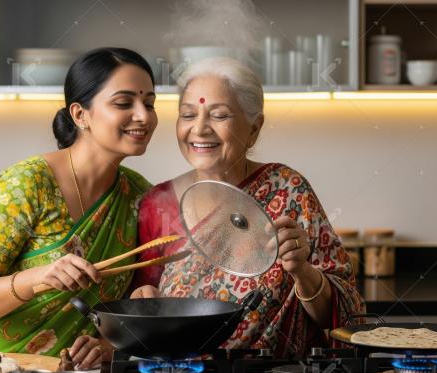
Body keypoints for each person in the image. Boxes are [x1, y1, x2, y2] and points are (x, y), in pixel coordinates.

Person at [131, 58, 364, 357]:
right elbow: (139, 306)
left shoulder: (288, 190)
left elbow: (344, 317)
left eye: (219, 115)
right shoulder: (156, 203)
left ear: (254, 128)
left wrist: (303, 272)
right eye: (187, 114)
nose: (199, 129)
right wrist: (143, 301)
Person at [0, 48, 158, 369]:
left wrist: (107, 345)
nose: (144, 116)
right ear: (80, 115)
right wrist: (37, 277)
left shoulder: (139, 195)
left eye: (149, 104)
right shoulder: (27, 183)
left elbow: (129, 305)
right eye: (124, 103)